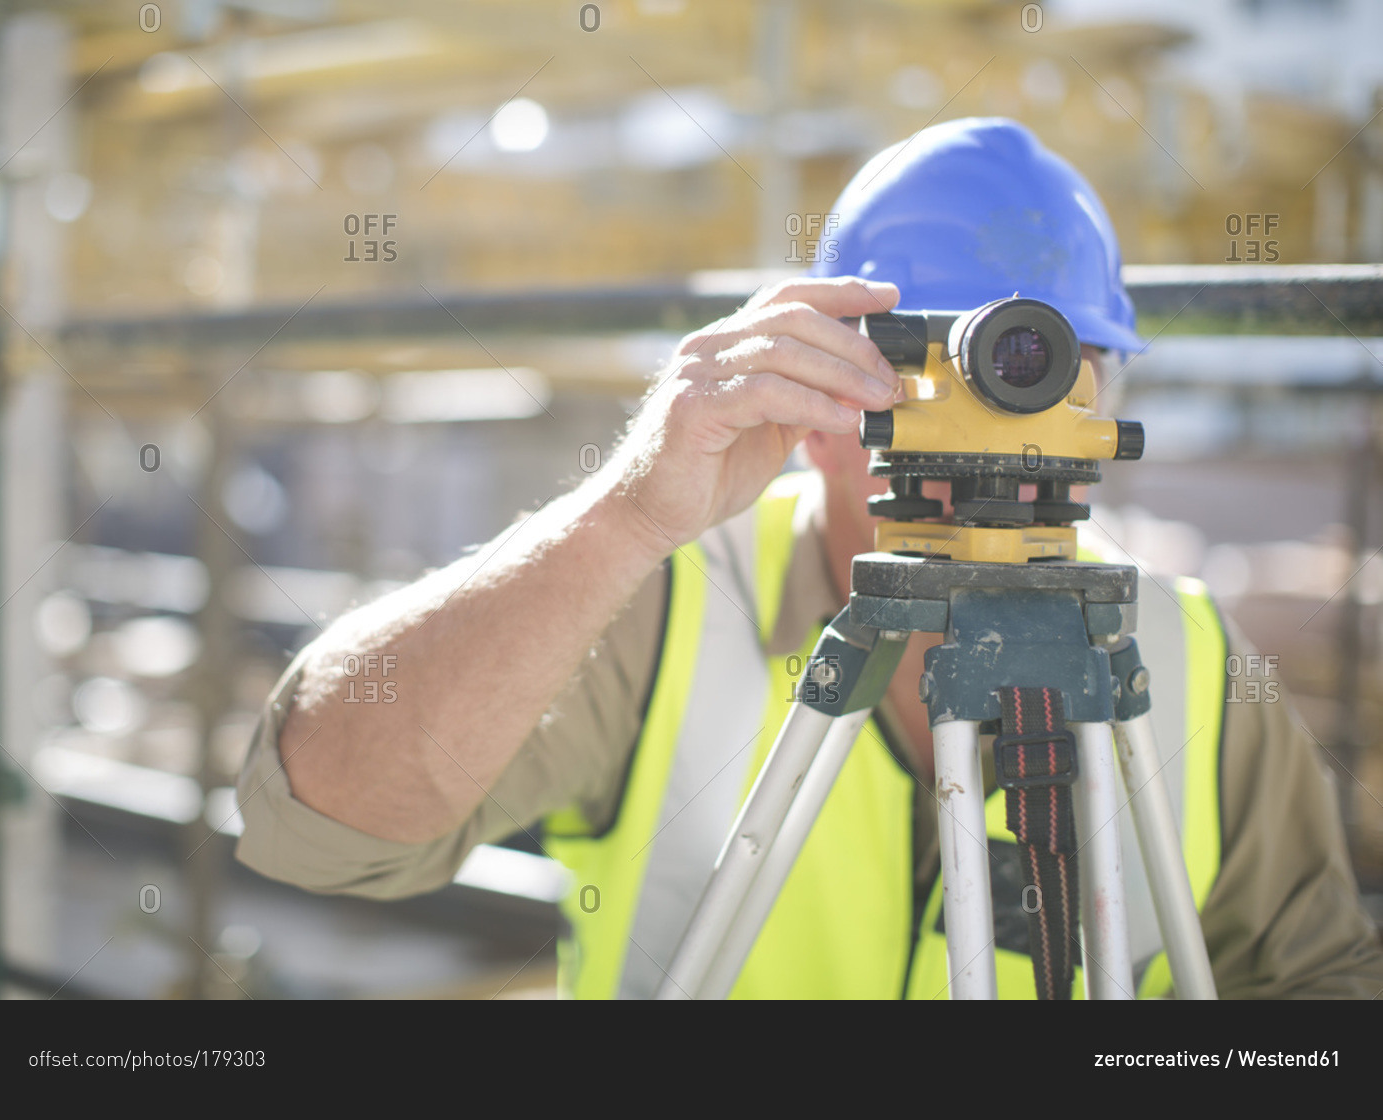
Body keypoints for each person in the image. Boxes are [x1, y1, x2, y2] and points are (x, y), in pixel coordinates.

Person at [233, 117, 1383, 999]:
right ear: (820, 380)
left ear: (1103, 398)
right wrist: (627, 513)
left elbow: (1322, 989)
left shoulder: (1184, 656)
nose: (985, 408)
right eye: (925, 360)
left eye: (1032, 365)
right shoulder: (664, 594)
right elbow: (317, 824)